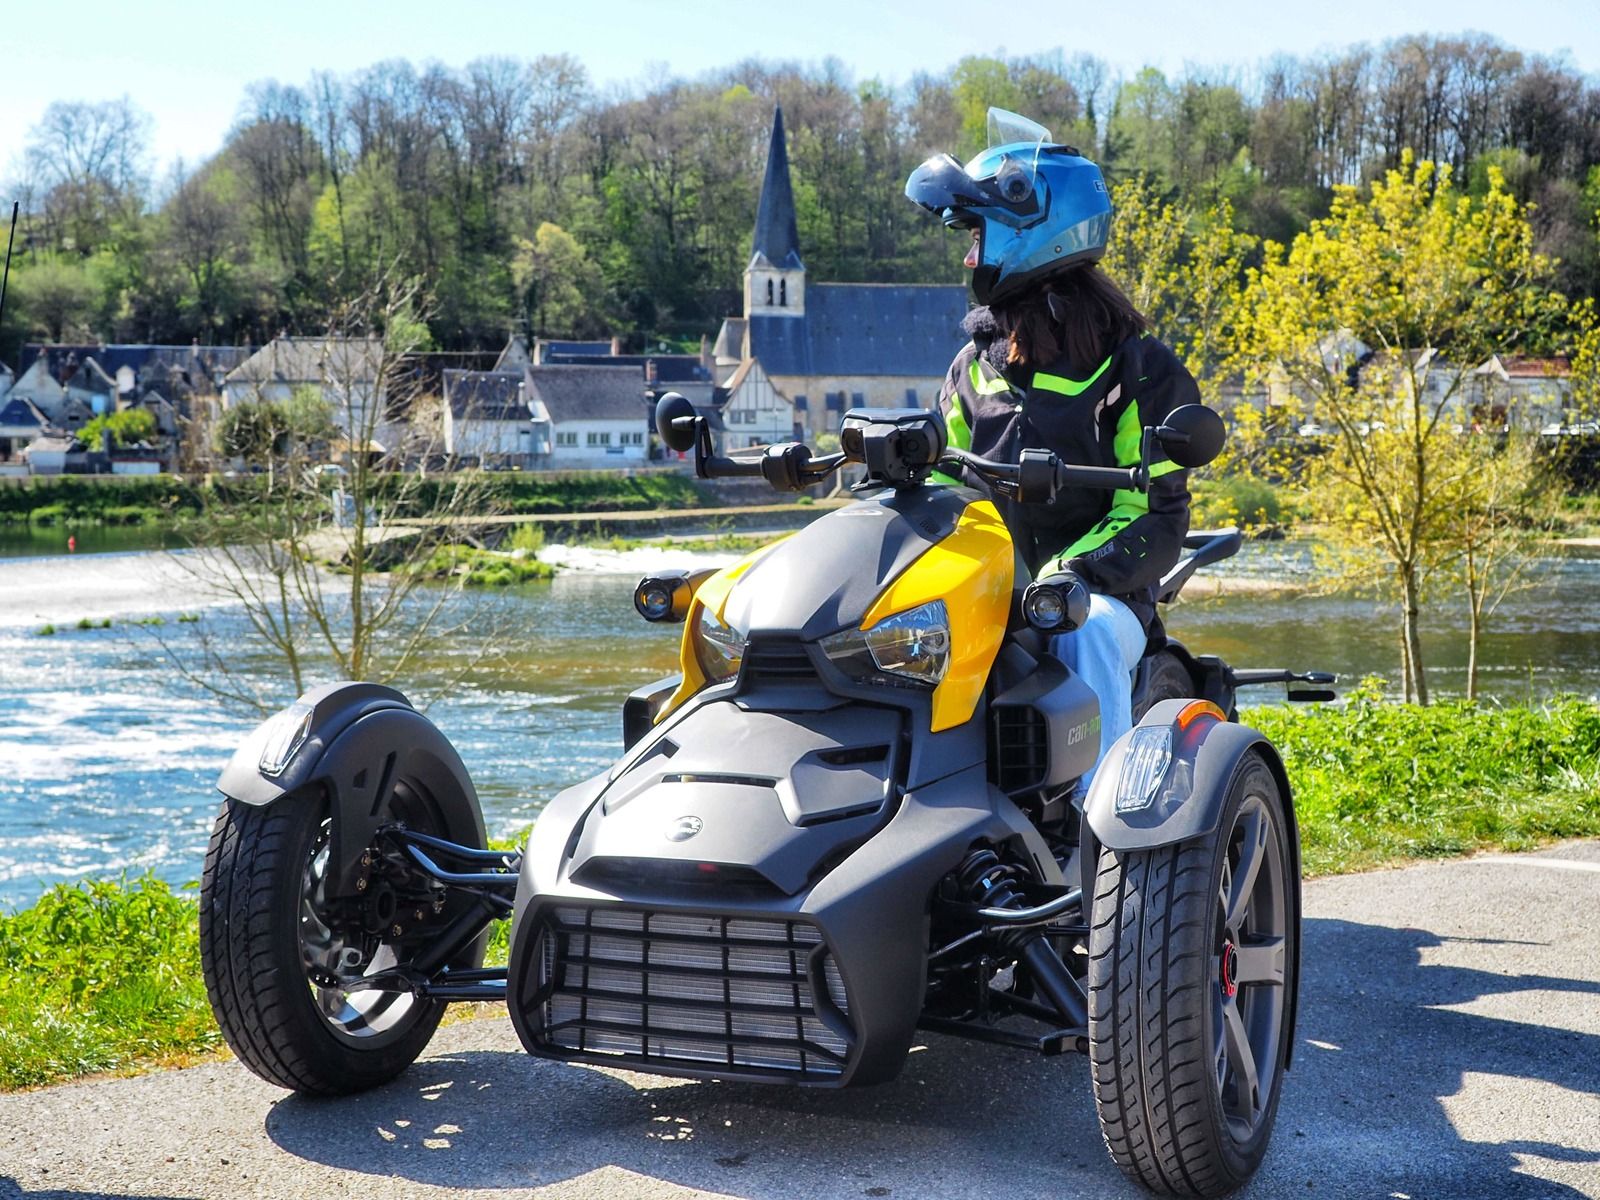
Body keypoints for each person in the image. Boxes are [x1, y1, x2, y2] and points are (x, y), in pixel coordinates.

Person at [905, 113, 1199, 775]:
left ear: (1029, 230)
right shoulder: (970, 366)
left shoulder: (1139, 368)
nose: (967, 256)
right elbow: (946, 495)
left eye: (975, 235)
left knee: (1085, 633)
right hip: (985, 590)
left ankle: (1111, 842)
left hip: (1101, 593)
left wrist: (1070, 577)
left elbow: (1158, 510)